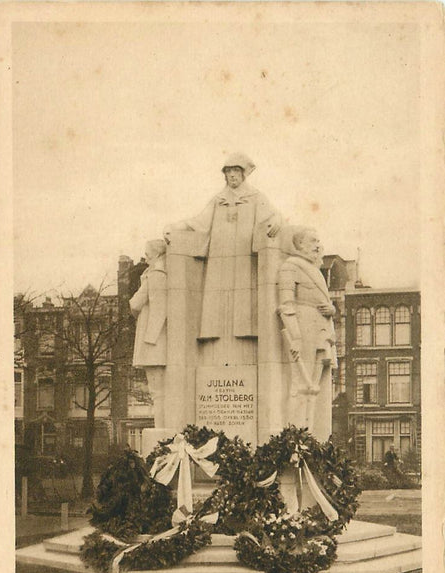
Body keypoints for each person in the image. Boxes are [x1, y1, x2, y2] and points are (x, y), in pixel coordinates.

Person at [163, 153, 282, 364]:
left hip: (245, 261)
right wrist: (174, 227)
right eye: (228, 172)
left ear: (244, 174)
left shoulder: (256, 197)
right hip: (219, 261)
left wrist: (277, 221)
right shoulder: (218, 200)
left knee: (244, 306)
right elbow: (198, 222)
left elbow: (274, 216)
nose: (232, 176)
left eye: (236, 171)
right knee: (217, 306)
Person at [277, 227, 337, 438]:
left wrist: (333, 310)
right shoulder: (290, 267)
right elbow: (286, 304)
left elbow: (325, 303)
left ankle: (311, 438)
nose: (318, 245)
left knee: (314, 388)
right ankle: (295, 436)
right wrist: (295, 337)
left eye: (319, 240)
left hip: (321, 332)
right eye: (313, 240)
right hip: (303, 329)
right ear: (299, 245)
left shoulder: (315, 271)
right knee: (301, 385)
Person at [129, 239, 167, 427]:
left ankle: (161, 428)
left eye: (147, 253)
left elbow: (136, 303)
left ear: (156, 254)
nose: (145, 256)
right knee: (158, 391)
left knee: (157, 391)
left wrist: (150, 339)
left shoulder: (156, 274)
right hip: (156, 341)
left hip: (154, 342)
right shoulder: (156, 273)